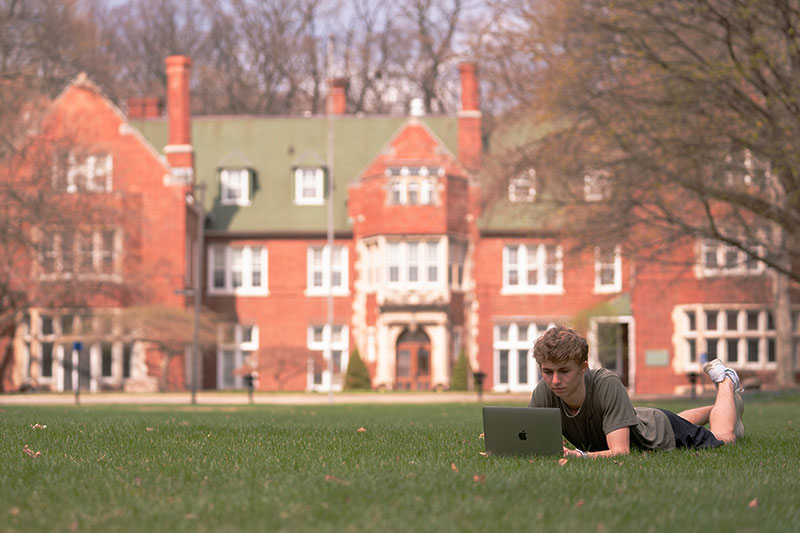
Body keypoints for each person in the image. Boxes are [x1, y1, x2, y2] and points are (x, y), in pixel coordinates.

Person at [528, 325, 744, 458]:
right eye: (547, 372)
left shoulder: (607, 383)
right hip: (643, 421)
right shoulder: (543, 391)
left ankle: (725, 380)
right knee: (675, 419)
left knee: (724, 438)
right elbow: (529, 443)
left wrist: (580, 456)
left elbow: (620, 452)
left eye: (564, 371)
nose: (555, 381)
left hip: (660, 431)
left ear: (584, 367)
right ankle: (724, 407)